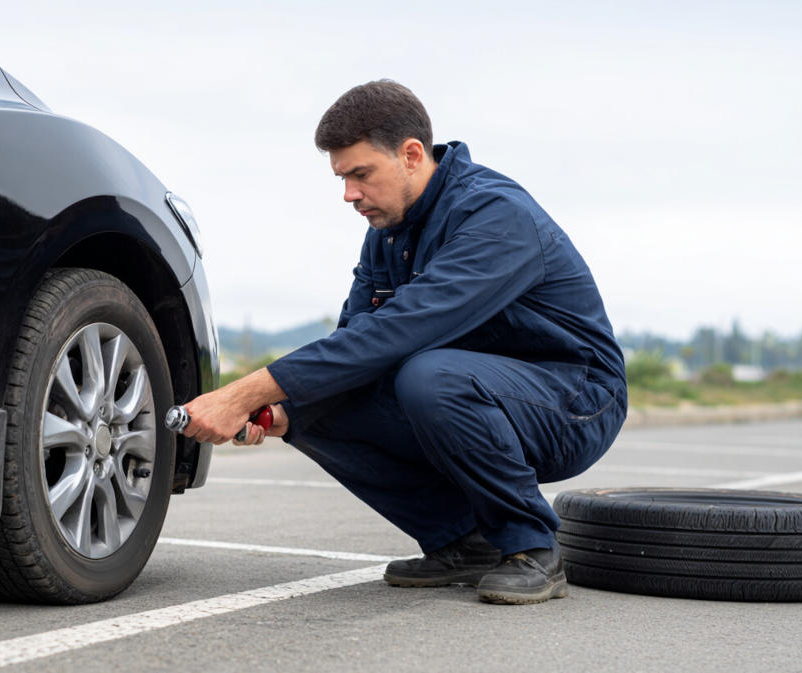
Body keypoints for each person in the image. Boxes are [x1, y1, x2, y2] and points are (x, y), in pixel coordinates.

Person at [181, 80, 627, 605]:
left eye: (360, 174)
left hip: (574, 402)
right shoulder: (387, 234)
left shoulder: (495, 216)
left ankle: (533, 546)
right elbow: (354, 344)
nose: (349, 194)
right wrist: (280, 412)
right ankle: (466, 542)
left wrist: (242, 394)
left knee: (428, 376)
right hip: (475, 392)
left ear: (412, 155)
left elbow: (400, 330)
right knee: (310, 402)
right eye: (342, 177)